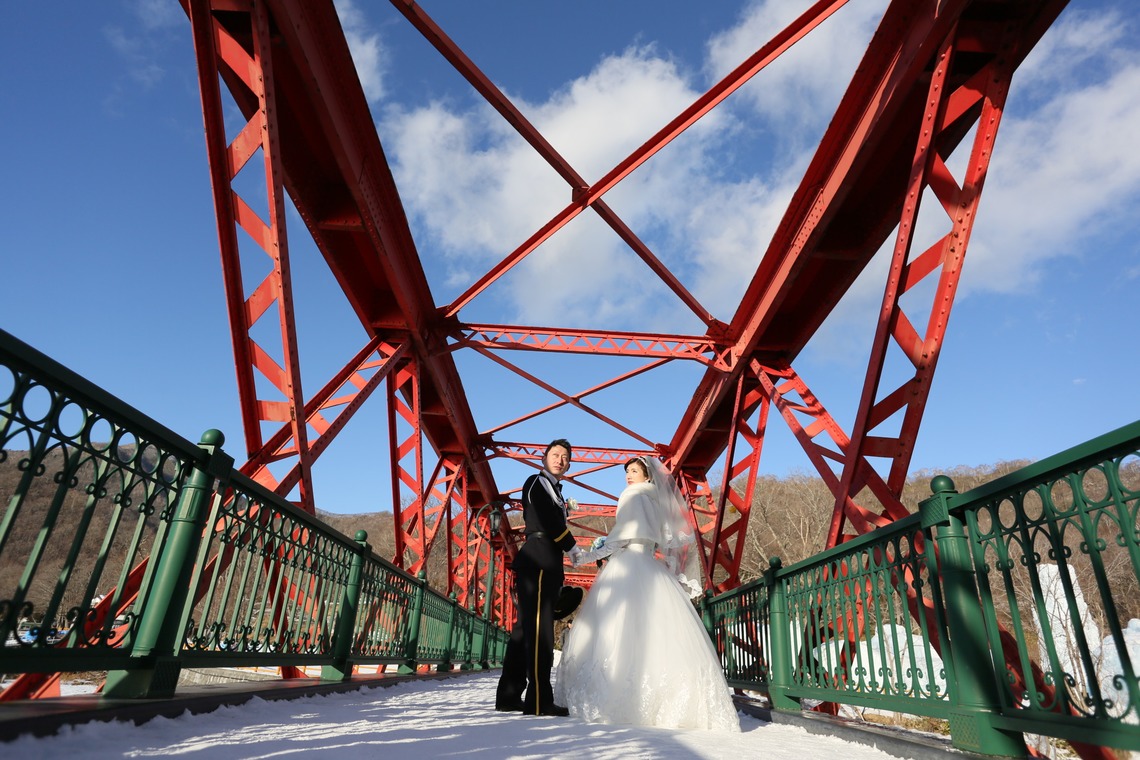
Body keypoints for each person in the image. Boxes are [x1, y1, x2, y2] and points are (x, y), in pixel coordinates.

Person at [554, 456, 740, 731]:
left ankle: (618, 700)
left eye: (634, 471)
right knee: (658, 633)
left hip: (627, 564)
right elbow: (666, 539)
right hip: (650, 566)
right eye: (627, 471)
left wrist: (584, 557)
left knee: (616, 629)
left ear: (647, 475)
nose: (628, 476)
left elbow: (618, 540)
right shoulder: (657, 501)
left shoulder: (632, 496)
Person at [495, 438, 582, 716]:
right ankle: (539, 700)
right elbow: (546, 518)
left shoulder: (554, 490)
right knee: (540, 629)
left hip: (544, 559)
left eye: (565, 457)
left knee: (524, 630)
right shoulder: (536, 481)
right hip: (540, 559)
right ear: (544, 458)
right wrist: (571, 546)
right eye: (555, 454)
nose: (560, 459)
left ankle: (509, 695)